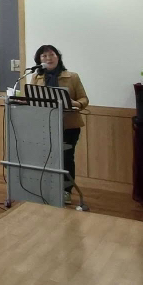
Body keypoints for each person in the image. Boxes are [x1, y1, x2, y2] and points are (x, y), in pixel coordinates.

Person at [29, 45, 89, 203]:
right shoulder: (36, 77)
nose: (48, 58)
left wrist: (76, 103)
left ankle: (66, 191)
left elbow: (84, 99)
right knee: (46, 157)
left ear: (58, 57)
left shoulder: (72, 77)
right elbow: (31, 99)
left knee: (66, 158)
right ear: (39, 60)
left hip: (68, 125)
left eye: (51, 55)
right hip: (45, 125)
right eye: (44, 56)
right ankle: (47, 188)